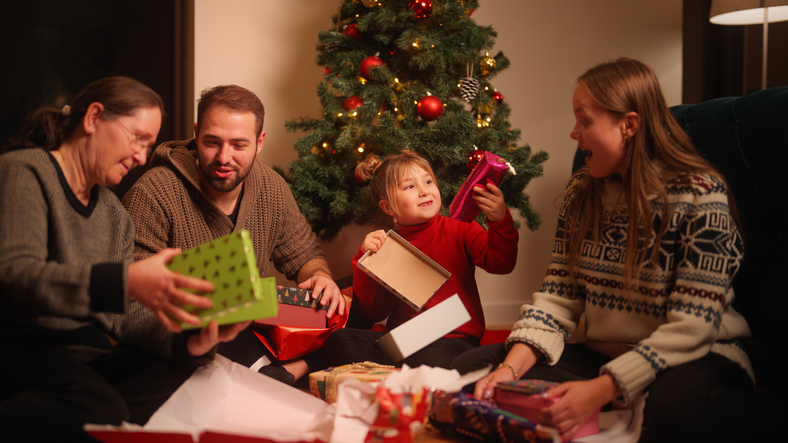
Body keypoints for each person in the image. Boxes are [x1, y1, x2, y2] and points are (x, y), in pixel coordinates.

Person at [451, 58, 757, 442]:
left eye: (584, 120)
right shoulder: (581, 195)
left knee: (676, 409)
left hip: (694, 356)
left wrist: (599, 390)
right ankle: (614, 413)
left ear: (628, 125)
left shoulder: (701, 196)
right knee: (472, 371)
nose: (573, 133)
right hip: (603, 358)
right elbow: (558, 299)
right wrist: (509, 371)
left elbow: (692, 327)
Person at [0, 77, 248, 442]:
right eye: (138, 139)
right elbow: (14, 275)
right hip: (26, 347)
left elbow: (124, 315)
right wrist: (126, 281)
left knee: (194, 375)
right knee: (98, 408)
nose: (142, 158)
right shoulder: (27, 171)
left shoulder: (113, 213)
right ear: (93, 118)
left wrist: (188, 340)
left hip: (87, 360)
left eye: (149, 146)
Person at [122, 84, 346, 385]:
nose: (224, 157)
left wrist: (321, 277)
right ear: (197, 131)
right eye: (212, 142)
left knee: (346, 320)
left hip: (246, 330)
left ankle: (279, 374)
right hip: (180, 340)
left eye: (239, 145)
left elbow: (304, 254)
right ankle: (280, 374)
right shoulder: (152, 193)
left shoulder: (270, 186)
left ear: (260, 141)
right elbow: (129, 299)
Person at [325, 150, 519, 368]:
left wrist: (499, 219)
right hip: (404, 342)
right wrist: (365, 260)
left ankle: (403, 375)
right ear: (388, 207)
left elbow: (501, 263)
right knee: (340, 341)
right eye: (410, 186)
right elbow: (376, 312)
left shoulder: (460, 229)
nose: (424, 191)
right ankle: (407, 375)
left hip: (453, 340)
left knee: (438, 359)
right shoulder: (388, 247)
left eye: (428, 182)